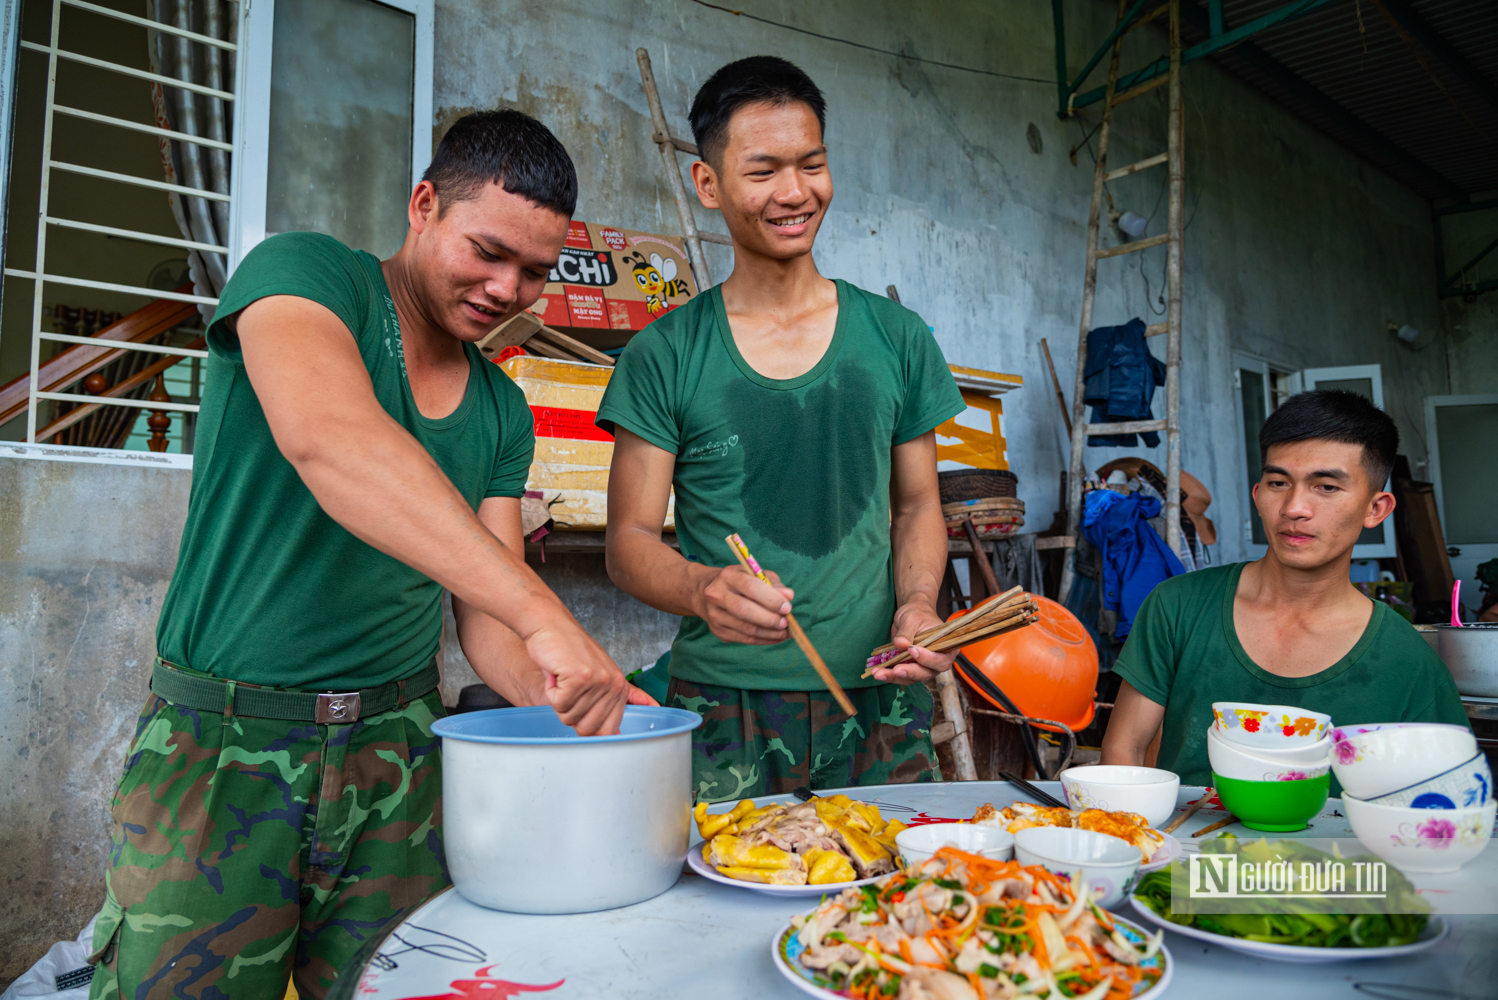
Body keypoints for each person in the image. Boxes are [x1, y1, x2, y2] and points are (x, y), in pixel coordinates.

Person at [90, 110, 647, 1000]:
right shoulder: (306, 277)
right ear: (423, 205)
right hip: (227, 742)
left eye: (535, 272)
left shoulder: (501, 410)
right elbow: (332, 443)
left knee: (398, 988)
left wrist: (586, 698)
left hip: (398, 752)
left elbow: (490, 621)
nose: (508, 290)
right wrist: (549, 617)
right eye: (488, 252)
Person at [597, 56, 966, 803]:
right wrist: (703, 589)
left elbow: (919, 505)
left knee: (892, 905)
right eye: (763, 170)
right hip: (722, 706)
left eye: (813, 164)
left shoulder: (896, 337)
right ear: (710, 186)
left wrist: (918, 605)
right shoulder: (665, 353)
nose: (795, 193)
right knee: (717, 904)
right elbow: (629, 544)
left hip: (879, 697)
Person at [1101, 390, 1469, 787]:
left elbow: (1442, 806)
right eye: (1278, 482)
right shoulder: (1177, 607)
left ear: (1374, 509)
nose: (1294, 507)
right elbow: (1124, 753)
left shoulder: (1407, 662)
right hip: (1191, 845)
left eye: (1326, 487)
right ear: (1258, 497)